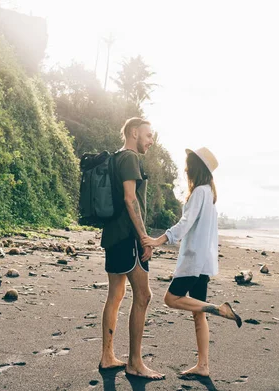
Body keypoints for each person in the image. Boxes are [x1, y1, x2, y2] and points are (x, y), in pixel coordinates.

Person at [141, 147, 242, 379]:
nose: (185, 168)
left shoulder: (199, 193)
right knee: (198, 313)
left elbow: (185, 223)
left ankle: (219, 309)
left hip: (194, 261)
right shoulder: (209, 195)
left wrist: (159, 240)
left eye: (189, 164)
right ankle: (203, 365)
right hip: (204, 262)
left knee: (170, 299)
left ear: (197, 167)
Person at [98, 117, 165, 380]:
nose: (150, 141)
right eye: (148, 136)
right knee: (144, 295)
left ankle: (107, 356)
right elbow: (130, 199)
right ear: (134, 133)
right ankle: (135, 362)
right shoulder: (130, 159)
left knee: (115, 294)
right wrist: (144, 237)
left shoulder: (116, 158)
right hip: (128, 238)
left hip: (113, 236)